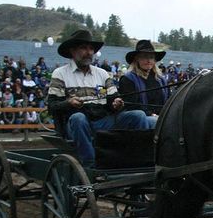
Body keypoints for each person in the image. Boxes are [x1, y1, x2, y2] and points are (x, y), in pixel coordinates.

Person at [46, 29, 151, 167]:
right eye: (84, 48)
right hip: (77, 125)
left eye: (91, 49)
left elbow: (113, 98)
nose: (89, 52)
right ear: (72, 51)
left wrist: (116, 103)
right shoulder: (60, 74)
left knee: (138, 116)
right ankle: (91, 165)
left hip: (102, 121)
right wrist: (69, 102)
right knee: (78, 118)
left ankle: (139, 160)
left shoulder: (102, 74)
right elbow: (52, 105)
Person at [118, 40, 168, 125]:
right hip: (139, 117)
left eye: (151, 57)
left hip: (160, 116)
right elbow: (131, 106)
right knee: (152, 121)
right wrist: (151, 114)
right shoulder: (128, 79)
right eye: (144, 57)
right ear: (137, 59)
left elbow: (168, 101)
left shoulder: (161, 80)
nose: (148, 60)